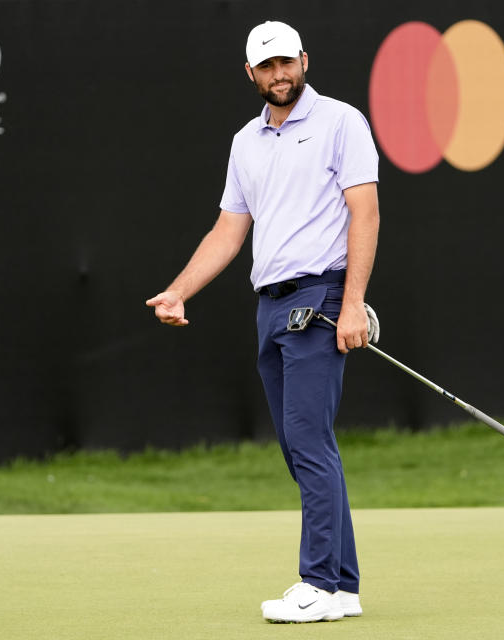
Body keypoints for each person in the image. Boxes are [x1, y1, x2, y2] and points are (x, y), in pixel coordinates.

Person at [145, 20, 380, 623]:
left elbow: (366, 213)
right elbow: (230, 228)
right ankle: (344, 586)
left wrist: (352, 303)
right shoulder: (245, 142)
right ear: (250, 73)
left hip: (320, 301)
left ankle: (319, 584)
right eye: (267, 66)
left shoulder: (341, 122)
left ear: (304, 59)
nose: (280, 74)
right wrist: (179, 291)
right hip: (269, 305)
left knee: (308, 441)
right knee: (300, 445)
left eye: (287, 62)